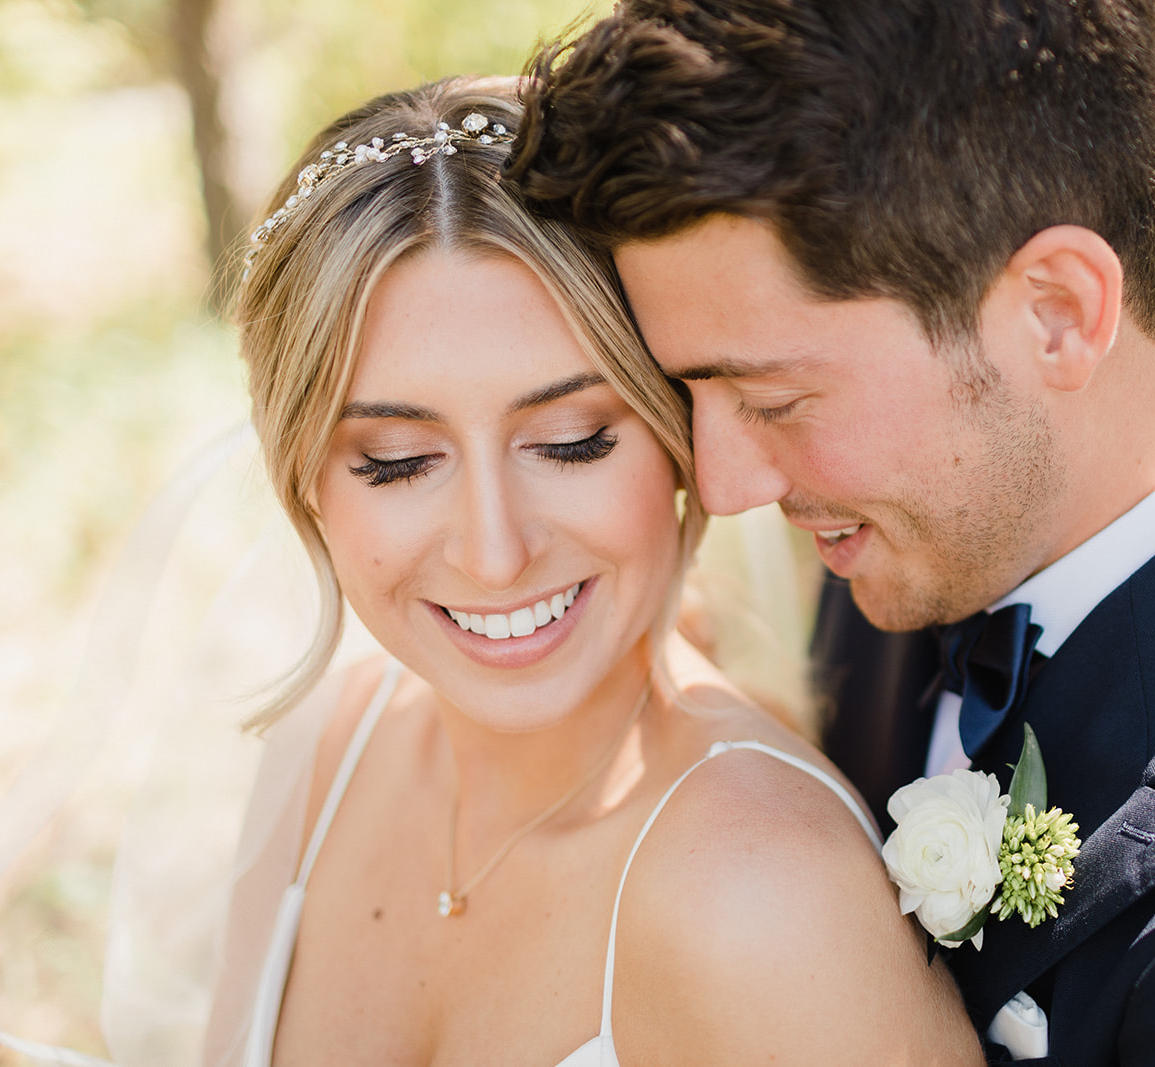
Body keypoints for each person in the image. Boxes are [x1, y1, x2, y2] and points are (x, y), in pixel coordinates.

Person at [509, 2, 1155, 1063]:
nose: (720, 484)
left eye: (772, 398)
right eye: (690, 391)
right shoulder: (915, 541)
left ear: (1057, 311)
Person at [202, 75, 981, 1066]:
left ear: (678, 441)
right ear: (307, 477)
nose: (494, 550)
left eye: (570, 442)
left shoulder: (762, 893)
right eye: (396, 459)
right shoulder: (324, 751)